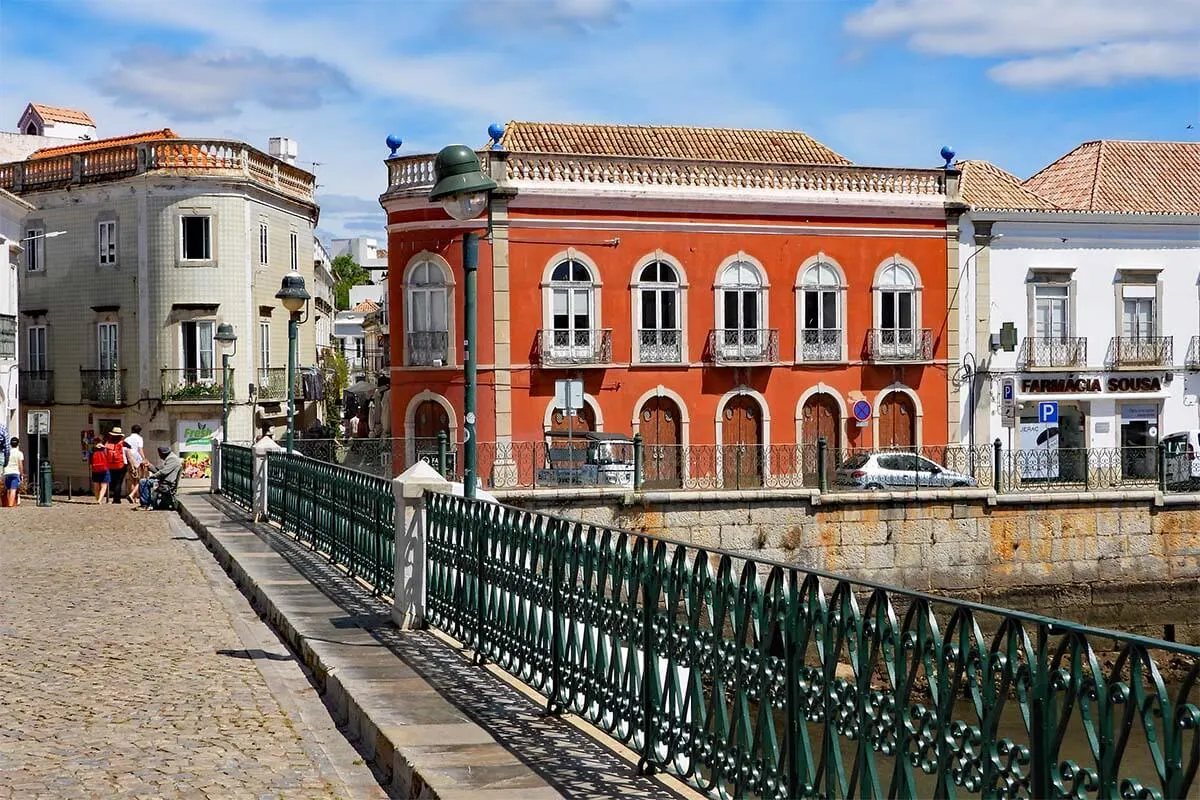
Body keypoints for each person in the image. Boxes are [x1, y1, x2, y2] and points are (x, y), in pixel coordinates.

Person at [105, 428, 129, 505]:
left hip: (111, 465)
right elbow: (129, 455)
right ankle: (117, 499)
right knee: (119, 482)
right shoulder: (124, 443)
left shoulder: (108, 443)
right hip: (121, 465)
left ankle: (113, 495)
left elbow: (105, 454)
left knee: (113, 481)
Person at [123, 424, 146, 502]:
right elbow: (140, 449)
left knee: (132, 479)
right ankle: (134, 496)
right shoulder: (139, 438)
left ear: (132, 430)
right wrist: (144, 459)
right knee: (139, 479)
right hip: (137, 460)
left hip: (129, 460)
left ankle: (133, 497)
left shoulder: (127, 439)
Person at [2, 437, 22, 507]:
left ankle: (6, 503)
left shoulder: (7, 453)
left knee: (7, 488)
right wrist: (21, 474)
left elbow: (4, 462)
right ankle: (10, 505)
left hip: (7, 472)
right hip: (15, 472)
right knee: (13, 489)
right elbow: (20, 465)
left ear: (10, 444)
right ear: (18, 444)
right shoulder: (19, 453)